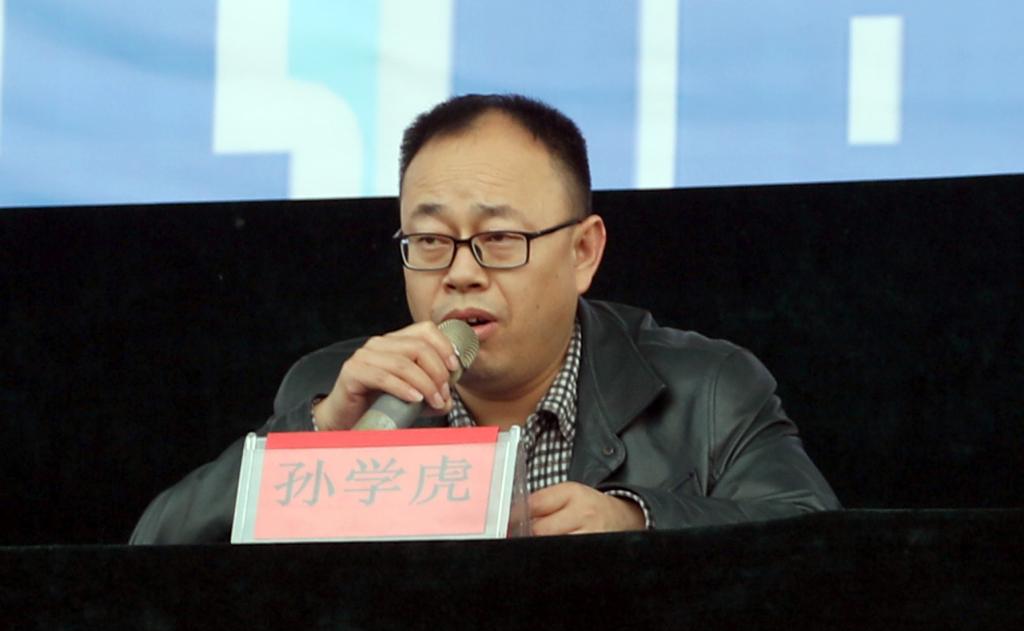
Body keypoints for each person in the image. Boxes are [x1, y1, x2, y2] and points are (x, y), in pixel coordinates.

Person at [130, 94, 839, 544]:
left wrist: (637, 521)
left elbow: (824, 544)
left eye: (499, 238)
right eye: (430, 240)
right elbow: (153, 556)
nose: (460, 272)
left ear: (583, 252)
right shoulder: (337, 392)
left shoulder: (708, 388)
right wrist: (317, 432)